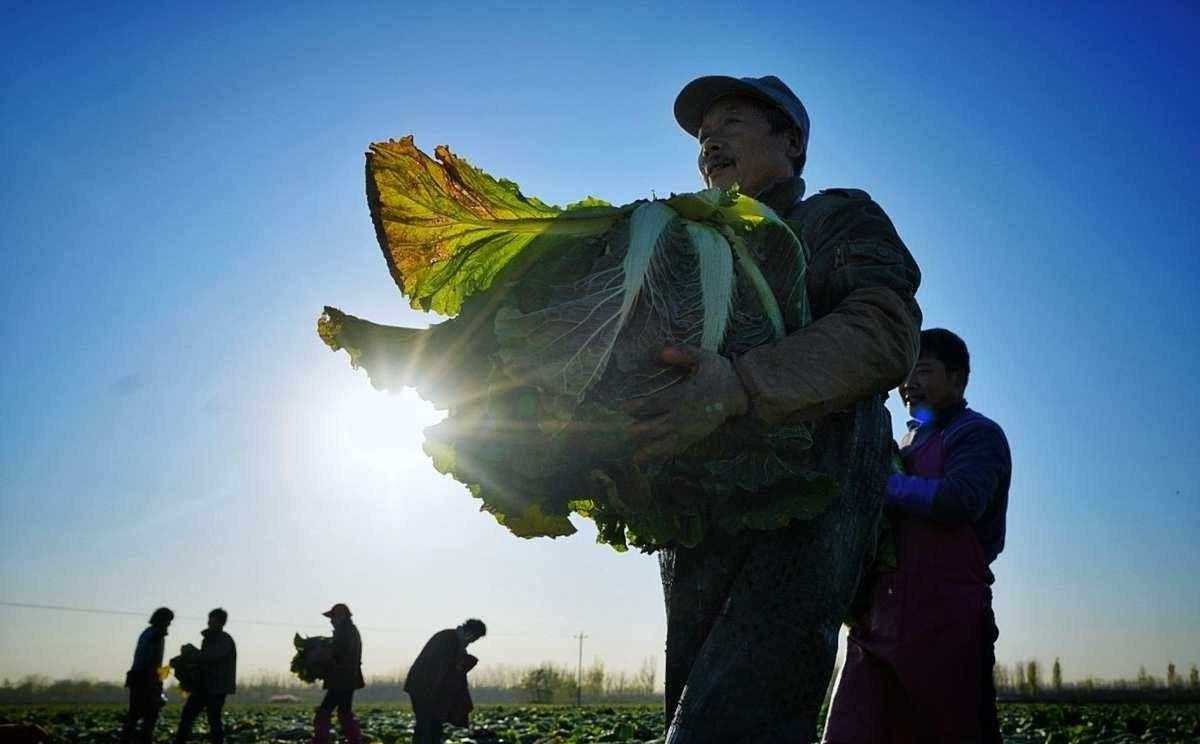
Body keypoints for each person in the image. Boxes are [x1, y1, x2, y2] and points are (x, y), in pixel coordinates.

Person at [623, 75, 922, 741]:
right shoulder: (690, 254)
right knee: (696, 702)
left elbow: (884, 332)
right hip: (699, 519)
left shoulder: (834, 218)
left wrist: (742, 384)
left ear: (792, 143)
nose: (710, 141)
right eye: (703, 136)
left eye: (731, 123)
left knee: (734, 718)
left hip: (810, 500)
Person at [824, 329, 1011, 743]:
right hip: (878, 621)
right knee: (850, 729)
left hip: (946, 619)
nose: (910, 383)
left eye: (923, 371)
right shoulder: (903, 442)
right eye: (906, 372)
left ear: (959, 378)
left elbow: (960, 499)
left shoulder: (977, 434)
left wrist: (884, 485)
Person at [404, 619, 486, 744]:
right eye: (474, 638)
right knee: (427, 726)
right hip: (425, 689)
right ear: (470, 633)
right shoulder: (449, 639)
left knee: (431, 727)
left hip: (427, 689)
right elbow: (443, 668)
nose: (472, 642)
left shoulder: (452, 639)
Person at [174, 608, 237, 744]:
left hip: (216, 689)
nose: (209, 623)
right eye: (209, 619)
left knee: (213, 720)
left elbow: (210, 657)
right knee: (187, 715)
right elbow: (203, 660)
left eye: (212, 620)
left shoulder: (224, 640)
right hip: (202, 686)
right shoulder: (208, 639)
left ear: (221, 622)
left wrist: (192, 653)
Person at [312, 603, 365, 744]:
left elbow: (338, 655)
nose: (331, 620)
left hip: (341, 679)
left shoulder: (345, 632)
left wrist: (319, 656)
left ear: (341, 617)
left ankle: (320, 740)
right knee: (344, 712)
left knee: (325, 710)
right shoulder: (350, 631)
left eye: (333, 617)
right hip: (348, 678)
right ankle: (355, 740)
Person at [121, 607, 173, 744]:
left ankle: (127, 739)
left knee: (134, 714)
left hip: (137, 677)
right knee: (150, 716)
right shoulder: (157, 635)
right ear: (163, 621)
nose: (169, 625)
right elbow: (153, 662)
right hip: (146, 680)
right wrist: (157, 683)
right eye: (168, 621)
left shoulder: (147, 633)